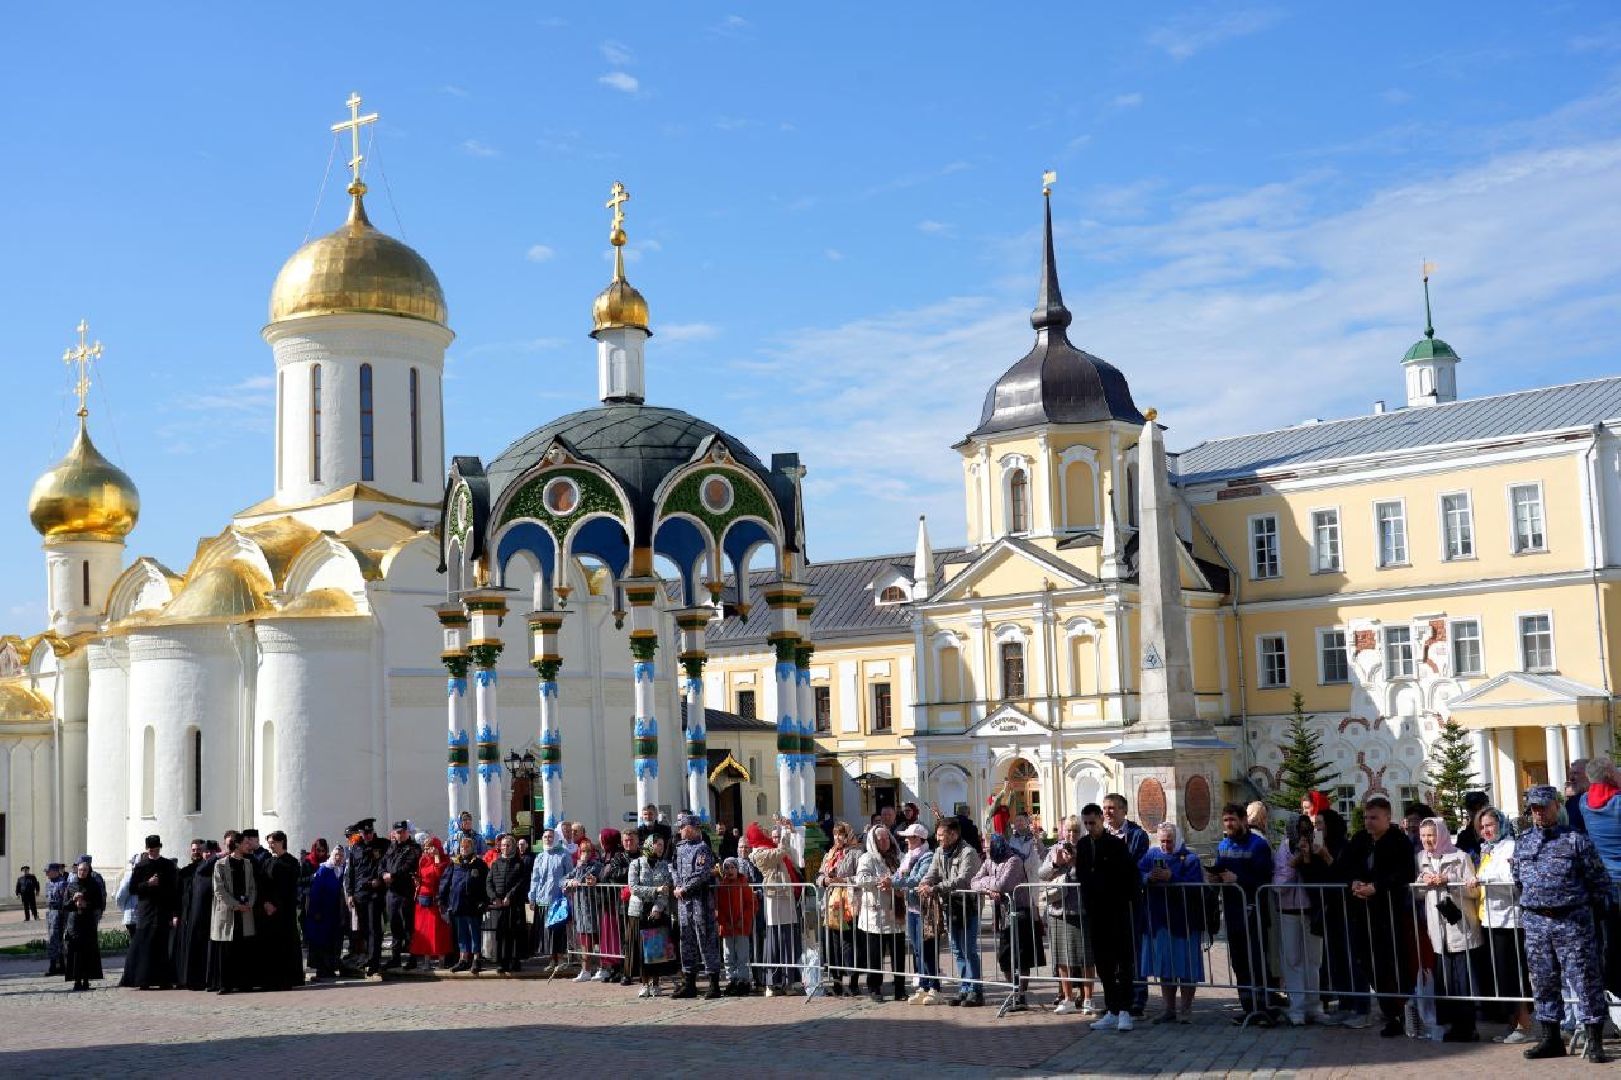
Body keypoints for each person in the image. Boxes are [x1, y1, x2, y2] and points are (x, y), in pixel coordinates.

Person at [1513, 784, 1612, 1062]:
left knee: (1584, 980)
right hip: (1536, 922)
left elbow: (1598, 881)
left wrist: (1587, 912)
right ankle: (1551, 1039)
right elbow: (1520, 880)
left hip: (1572, 920)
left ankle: (1595, 1040)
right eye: (1534, 808)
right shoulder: (1523, 842)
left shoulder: (1576, 840)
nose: (1539, 813)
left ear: (1556, 806)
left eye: (1544, 807)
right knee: (1543, 982)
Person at [1336, 796, 1416, 1036]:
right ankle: (1388, 1011)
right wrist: (1354, 882)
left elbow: (1404, 873)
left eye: (1374, 818)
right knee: (1369, 963)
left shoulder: (1399, 842)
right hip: (1362, 913)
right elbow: (1343, 867)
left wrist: (1377, 886)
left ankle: (1402, 1014)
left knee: (1393, 964)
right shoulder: (1360, 840)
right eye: (1366, 818)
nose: (1369, 822)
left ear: (1387, 818)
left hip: (1389, 912)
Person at [1069, 803, 1141, 1031]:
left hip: (1117, 911)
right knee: (1103, 963)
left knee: (1123, 962)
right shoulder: (1083, 845)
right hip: (1095, 912)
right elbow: (1082, 875)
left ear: (1102, 819)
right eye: (1087, 823)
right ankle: (1112, 1009)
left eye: (1093, 822)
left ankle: (1126, 1010)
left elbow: (1130, 876)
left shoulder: (1116, 845)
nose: (1090, 827)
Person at [1415, 817, 1480, 1042]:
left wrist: (1449, 881)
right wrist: (1425, 882)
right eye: (1423, 836)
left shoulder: (1460, 857)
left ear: (1441, 834)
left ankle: (1467, 1027)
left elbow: (1474, 891)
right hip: (1437, 928)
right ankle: (1450, 1024)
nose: (1427, 840)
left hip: (1459, 926)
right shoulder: (1421, 858)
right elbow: (1417, 893)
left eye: (1431, 835)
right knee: (1444, 980)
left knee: (1462, 979)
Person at [1471, 807, 1532, 1043]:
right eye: (1482, 826)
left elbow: (1511, 878)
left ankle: (1525, 1024)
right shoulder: (1489, 849)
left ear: (1500, 824)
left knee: (1515, 973)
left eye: (1490, 825)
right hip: (1492, 918)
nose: (1486, 830)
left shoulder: (1510, 846)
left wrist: (1482, 880)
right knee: (1503, 975)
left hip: (1510, 920)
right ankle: (1513, 1023)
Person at [1210, 802, 1274, 1025]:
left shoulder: (1258, 845)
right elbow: (1219, 869)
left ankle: (1263, 1008)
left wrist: (1238, 880)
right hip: (1232, 912)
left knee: (1256, 961)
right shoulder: (1223, 845)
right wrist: (1215, 878)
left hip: (1254, 911)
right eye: (1225, 820)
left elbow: (1265, 878)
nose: (1228, 824)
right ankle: (1247, 1007)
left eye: (1232, 820)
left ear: (1244, 820)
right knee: (1239, 962)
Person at [1140, 820, 1205, 1025]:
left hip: (1184, 921)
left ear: (1176, 840)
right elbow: (1138, 872)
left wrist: (1172, 877)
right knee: (1165, 966)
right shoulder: (1152, 855)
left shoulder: (1190, 858)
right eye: (1162, 841)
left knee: (1186, 966)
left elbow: (1195, 885)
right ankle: (1168, 1008)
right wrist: (1148, 877)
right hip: (1160, 918)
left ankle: (1185, 1008)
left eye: (1169, 841)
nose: (1166, 846)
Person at [1272, 814, 1330, 1026]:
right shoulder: (1284, 849)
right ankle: (1297, 1007)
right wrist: (1294, 863)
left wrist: (1315, 858)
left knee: (1314, 960)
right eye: (1300, 830)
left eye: (1307, 830)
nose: (1303, 834)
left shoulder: (1317, 846)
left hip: (1311, 909)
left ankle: (1315, 1005)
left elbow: (1323, 875)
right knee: (1293, 960)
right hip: (1289, 910)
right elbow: (1278, 884)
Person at [920, 816, 984, 1006]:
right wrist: (925, 882)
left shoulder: (968, 853)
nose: (938, 838)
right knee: (957, 949)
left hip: (968, 906)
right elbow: (932, 872)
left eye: (941, 835)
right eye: (938, 835)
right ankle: (964, 989)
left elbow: (964, 879)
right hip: (950, 906)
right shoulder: (939, 852)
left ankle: (976, 990)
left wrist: (937, 887)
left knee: (969, 948)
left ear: (954, 834)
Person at [974, 831, 1039, 1009]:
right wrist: (989, 889)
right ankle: (1013, 989)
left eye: (989, 846)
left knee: (1022, 957)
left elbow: (1004, 885)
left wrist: (988, 882)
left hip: (1021, 911)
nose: (987, 849)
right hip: (1003, 913)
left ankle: (1021, 995)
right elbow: (974, 881)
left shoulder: (1014, 861)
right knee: (1004, 957)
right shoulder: (988, 861)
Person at [1039, 816, 1094, 1016]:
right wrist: (1056, 863)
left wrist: (1076, 863)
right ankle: (1068, 998)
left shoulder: (1089, 848)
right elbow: (1042, 874)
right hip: (1058, 909)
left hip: (1081, 910)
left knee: (1086, 958)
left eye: (1076, 831)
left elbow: (1093, 875)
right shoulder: (1056, 848)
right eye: (1069, 831)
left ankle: (1088, 999)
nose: (1072, 835)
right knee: (1063, 958)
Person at [1103, 793, 1152, 1016]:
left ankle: (1137, 996)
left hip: (1131, 901)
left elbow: (1133, 864)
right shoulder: (1100, 835)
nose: (1107, 812)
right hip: (1107, 902)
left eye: (1112, 808)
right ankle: (1116, 997)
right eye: (1105, 808)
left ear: (1124, 810)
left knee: (1134, 950)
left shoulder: (1137, 835)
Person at [1578, 754, 1621, 999]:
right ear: (1610, 775)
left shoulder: (1585, 802)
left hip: (1602, 883)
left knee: (1609, 940)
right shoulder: (1617, 804)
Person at [746, 820, 804, 997]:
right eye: (761, 830)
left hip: (786, 897)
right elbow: (780, 852)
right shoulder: (758, 853)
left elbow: (791, 856)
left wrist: (788, 830)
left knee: (789, 939)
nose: (764, 831)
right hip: (775, 898)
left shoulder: (769, 846)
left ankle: (789, 981)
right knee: (775, 940)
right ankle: (771, 982)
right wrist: (785, 832)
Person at [672, 812, 724, 999]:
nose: (679, 830)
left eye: (682, 827)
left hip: (700, 902)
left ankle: (714, 984)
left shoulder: (702, 848)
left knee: (706, 940)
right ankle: (690, 984)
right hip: (684, 904)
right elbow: (674, 868)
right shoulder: (679, 847)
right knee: (686, 942)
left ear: (692, 828)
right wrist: (678, 884)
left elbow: (702, 874)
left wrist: (684, 888)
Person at [856, 821, 909, 1004]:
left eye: (887, 837)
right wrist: (880, 880)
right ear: (874, 840)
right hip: (875, 915)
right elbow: (861, 879)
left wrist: (897, 884)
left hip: (896, 912)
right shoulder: (868, 858)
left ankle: (900, 988)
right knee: (875, 955)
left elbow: (907, 876)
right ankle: (875, 988)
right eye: (881, 838)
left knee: (898, 953)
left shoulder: (899, 856)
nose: (885, 841)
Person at [119, 834, 179, 989]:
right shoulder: (141, 866)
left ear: (159, 848)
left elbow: (174, 889)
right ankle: (143, 980)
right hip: (146, 911)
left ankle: (163, 981)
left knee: (162, 945)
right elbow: (133, 888)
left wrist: (174, 913)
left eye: (155, 848)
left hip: (163, 910)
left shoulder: (167, 865)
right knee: (145, 945)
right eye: (150, 849)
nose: (152, 851)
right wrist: (148, 884)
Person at [628, 831, 679, 997]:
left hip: (657, 911)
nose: (660, 848)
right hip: (639, 911)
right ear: (650, 845)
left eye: (663, 846)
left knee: (657, 948)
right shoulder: (636, 864)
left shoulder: (664, 865)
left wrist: (658, 908)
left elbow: (665, 890)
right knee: (641, 949)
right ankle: (644, 983)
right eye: (658, 845)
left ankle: (656, 982)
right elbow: (633, 888)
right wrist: (654, 890)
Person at [893, 821, 939, 1004]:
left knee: (927, 949)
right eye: (906, 838)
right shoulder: (908, 856)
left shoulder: (927, 856)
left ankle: (934, 987)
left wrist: (896, 883)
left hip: (924, 909)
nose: (907, 841)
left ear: (919, 839)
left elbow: (917, 879)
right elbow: (899, 875)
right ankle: (923, 985)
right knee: (917, 950)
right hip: (911, 907)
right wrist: (892, 880)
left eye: (910, 838)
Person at [816, 820, 862, 997]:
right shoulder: (830, 853)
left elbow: (860, 876)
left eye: (841, 834)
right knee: (833, 943)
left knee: (849, 943)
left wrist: (843, 881)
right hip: (831, 903)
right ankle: (836, 981)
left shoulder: (856, 853)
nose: (838, 838)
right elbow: (819, 874)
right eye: (835, 834)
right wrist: (825, 880)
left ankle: (853, 980)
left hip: (849, 903)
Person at [208, 834, 259, 994]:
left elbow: (252, 887)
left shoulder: (248, 864)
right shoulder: (220, 864)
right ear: (236, 845)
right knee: (227, 949)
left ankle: (244, 983)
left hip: (245, 912)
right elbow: (219, 889)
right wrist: (235, 905)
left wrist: (248, 903)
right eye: (245, 842)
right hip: (228, 912)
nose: (248, 845)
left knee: (243, 948)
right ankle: (225, 984)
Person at [177, 837, 225, 989]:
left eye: (209, 852)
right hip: (198, 916)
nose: (205, 855)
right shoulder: (201, 868)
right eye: (204, 852)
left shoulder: (219, 867)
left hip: (214, 915)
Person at [440, 834, 489, 973]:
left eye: (467, 847)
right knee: (461, 933)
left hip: (474, 904)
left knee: (474, 932)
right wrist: (442, 899)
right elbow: (445, 881)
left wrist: (484, 901)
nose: (464, 849)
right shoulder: (454, 863)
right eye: (462, 846)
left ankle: (476, 959)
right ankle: (463, 959)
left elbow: (486, 884)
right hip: (458, 903)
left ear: (472, 848)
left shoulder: (480, 864)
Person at [344, 819, 387, 976]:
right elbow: (351, 873)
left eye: (369, 832)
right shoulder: (356, 848)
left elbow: (387, 864)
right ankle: (368, 958)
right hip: (359, 893)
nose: (367, 835)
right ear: (360, 834)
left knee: (374, 928)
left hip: (375, 893)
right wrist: (349, 893)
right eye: (364, 833)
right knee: (363, 929)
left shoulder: (382, 845)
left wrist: (381, 880)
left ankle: (374, 961)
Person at [528, 827, 571, 973]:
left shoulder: (563, 854)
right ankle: (552, 960)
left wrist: (564, 887)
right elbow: (535, 878)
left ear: (556, 838)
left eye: (551, 837)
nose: (548, 839)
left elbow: (569, 874)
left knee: (557, 930)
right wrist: (532, 897)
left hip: (558, 899)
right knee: (546, 932)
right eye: (545, 837)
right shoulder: (540, 857)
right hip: (542, 899)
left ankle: (561, 958)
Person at [381, 820, 421, 970]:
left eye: (403, 832)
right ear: (394, 833)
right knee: (394, 925)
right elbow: (382, 863)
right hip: (392, 892)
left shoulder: (414, 848)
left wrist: (393, 875)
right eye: (398, 832)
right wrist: (383, 873)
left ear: (407, 832)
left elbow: (408, 866)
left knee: (408, 926)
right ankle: (395, 957)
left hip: (405, 891)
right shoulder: (391, 848)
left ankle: (412, 957)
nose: (400, 834)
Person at [487, 834, 529, 974]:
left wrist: (510, 895)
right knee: (501, 934)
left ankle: (514, 960)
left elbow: (521, 882)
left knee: (515, 933)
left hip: (514, 903)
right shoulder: (496, 863)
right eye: (503, 845)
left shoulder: (519, 863)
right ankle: (502, 962)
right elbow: (489, 882)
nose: (505, 848)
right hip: (500, 905)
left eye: (508, 845)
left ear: (513, 847)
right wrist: (494, 897)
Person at [62, 857, 106, 991]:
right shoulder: (71, 885)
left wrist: (87, 903)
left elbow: (99, 903)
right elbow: (64, 905)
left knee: (88, 952)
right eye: (80, 870)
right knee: (75, 952)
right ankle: (76, 980)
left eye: (85, 870)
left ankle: (86, 980)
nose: (82, 872)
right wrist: (73, 901)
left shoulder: (94, 885)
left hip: (88, 922)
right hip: (74, 923)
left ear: (89, 871)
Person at [716, 857, 757, 995]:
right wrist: (723, 921)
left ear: (737, 868)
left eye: (733, 867)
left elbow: (751, 904)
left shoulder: (743, 883)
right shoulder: (722, 885)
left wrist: (743, 919)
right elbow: (718, 907)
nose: (730, 870)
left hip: (741, 925)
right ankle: (731, 979)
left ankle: (743, 979)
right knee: (728, 955)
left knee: (742, 954)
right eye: (727, 868)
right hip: (727, 926)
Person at [305, 844, 347, 979]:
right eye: (336, 855)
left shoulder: (342, 871)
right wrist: (316, 911)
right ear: (331, 856)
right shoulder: (324, 870)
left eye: (341, 855)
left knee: (334, 942)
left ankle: (331, 967)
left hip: (335, 913)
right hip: (322, 913)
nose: (338, 858)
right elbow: (315, 892)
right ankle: (321, 969)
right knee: (321, 941)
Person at [566, 838, 605, 981]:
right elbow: (563, 880)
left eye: (588, 851)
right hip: (580, 909)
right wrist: (569, 881)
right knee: (584, 942)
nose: (585, 854)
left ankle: (602, 968)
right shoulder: (577, 867)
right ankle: (586, 970)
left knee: (597, 941)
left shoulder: (596, 866)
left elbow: (583, 878)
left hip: (594, 908)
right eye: (583, 851)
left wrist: (580, 869)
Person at [411, 836, 453, 970]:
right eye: (426, 848)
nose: (428, 850)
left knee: (438, 930)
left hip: (436, 900)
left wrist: (436, 858)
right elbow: (420, 875)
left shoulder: (445, 860)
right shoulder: (423, 860)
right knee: (424, 931)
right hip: (423, 900)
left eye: (431, 847)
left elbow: (439, 875)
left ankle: (441, 960)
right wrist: (416, 880)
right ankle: (426, 960)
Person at [596, 828, 630, 984]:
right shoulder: (605, 856)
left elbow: (607, 875)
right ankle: (613, 967)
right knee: (609, 937)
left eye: (602, 840)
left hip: (616, 901)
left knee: (618, 936)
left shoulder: (617, 856)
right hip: (607, 901)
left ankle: (621, 968)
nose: (601, 843)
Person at [43, 863, 69, 975]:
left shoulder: (62, 883)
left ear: (55, 871)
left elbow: (65, 900)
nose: (47, 873)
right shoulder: (48, 883)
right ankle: (58, 965)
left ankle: (56, 966)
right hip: (51, 912)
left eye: (48, 871)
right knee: (53, 939)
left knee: (56, 939)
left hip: (59, 913)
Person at [1567, 759, 1590, 834]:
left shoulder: (1604, 798)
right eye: (1570, 774)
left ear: (1589, 775)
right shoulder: (1570, 802)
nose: (1571, 778)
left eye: (1576, 773)